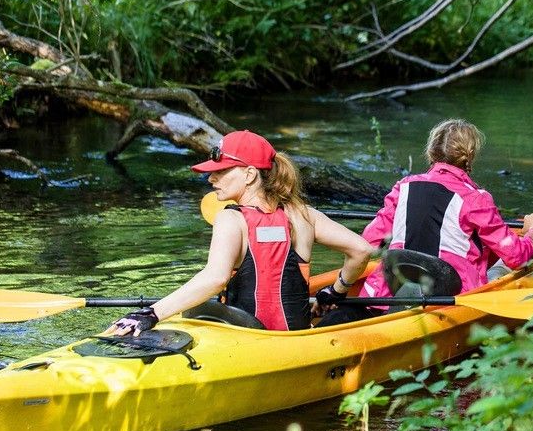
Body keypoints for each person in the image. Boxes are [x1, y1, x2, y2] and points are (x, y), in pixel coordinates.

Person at [108, 130, 372, 335]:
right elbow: (361, 250)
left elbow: (215, 278)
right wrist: (336, 291)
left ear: (249, 174)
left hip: (244, 339)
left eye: (220, 172)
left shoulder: (230, 219)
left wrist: (150, 314)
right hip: (297, 339)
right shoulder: (304, 214)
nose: (211, 179)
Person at [316, 119, 533, 326]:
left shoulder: (403, 187)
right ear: (470, 156)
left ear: (431, 153)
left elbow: (368, 242)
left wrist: (339, 288)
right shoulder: (477, 199)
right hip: (449, 300)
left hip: (388, 291)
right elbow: (517, 256)